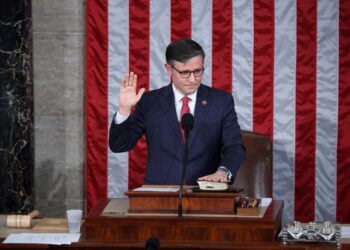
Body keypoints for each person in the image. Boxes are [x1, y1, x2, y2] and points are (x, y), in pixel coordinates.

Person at [109, 38, 245, 185]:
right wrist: (124, 109)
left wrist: (223, 172)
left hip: (206, 193)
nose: (193, 79)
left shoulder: (221, 101)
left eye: (198, 71)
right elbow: (120, 145)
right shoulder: (149, 102)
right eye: (185, 72)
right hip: (160, 196)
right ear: (169, 69)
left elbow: (234, 146)